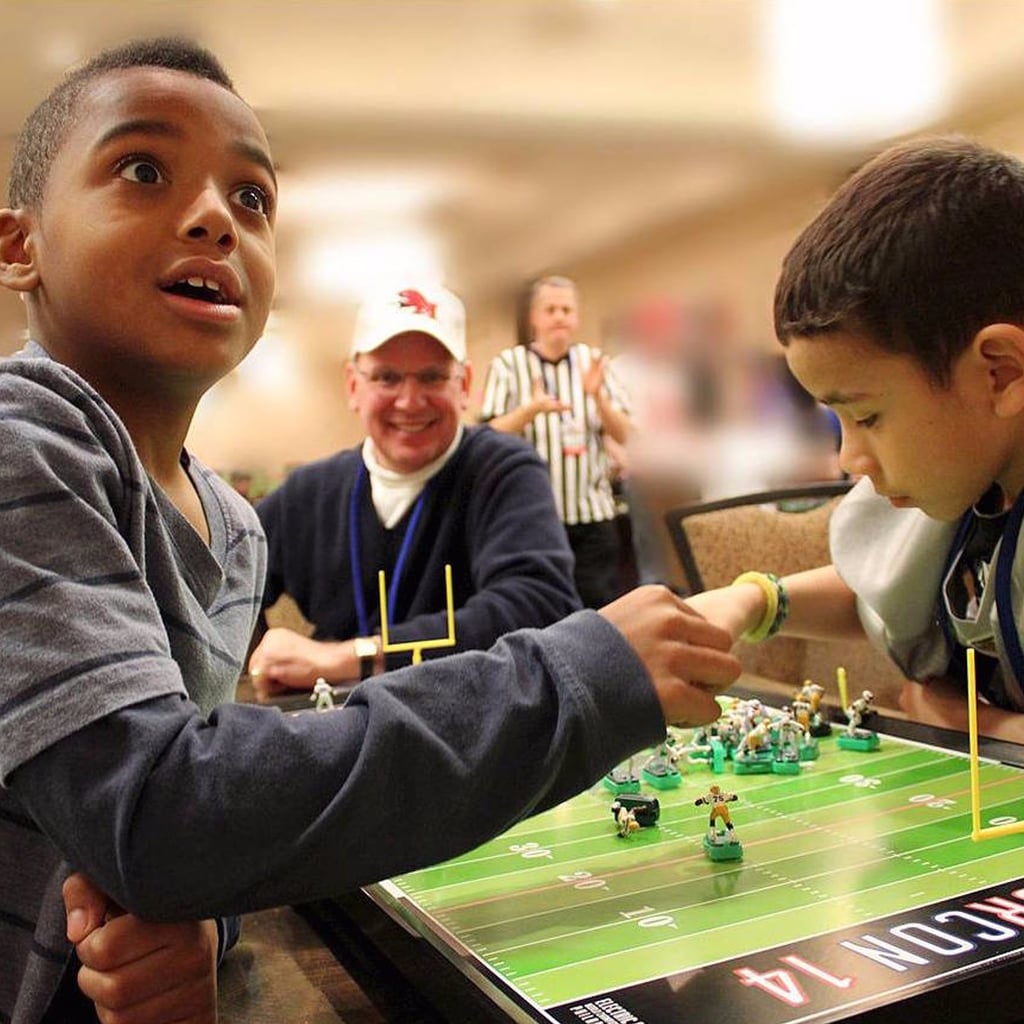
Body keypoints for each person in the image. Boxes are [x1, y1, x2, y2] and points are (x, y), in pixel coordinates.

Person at [0, 38, 744, 1024]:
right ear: (20, 248)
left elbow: (165, 840)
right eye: (144, 170)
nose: (215, 217)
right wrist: (574, 682)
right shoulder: (22, 436)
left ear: (462, 387)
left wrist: (191, 924)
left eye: (253, 197)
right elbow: (167, 808)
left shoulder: (236, 525)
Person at [686, 135, 1024, 745]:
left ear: (999, 371)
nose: (849, 459)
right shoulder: (972, 474)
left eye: (867, 416)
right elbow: (894, 583)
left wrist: (961, 719)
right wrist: (756, 603)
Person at [249, 283, 581, 696]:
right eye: (387, 377)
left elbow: (539, 604)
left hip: (473, 721)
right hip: (338, 732)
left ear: (464, 385)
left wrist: (353, 657)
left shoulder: (503, 469)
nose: (409, 401)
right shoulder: (307, 493)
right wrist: (255, 661)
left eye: (432, 376)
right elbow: (220, 584)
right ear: (354, 385)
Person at [479, 275, 633, 608]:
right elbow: (489, 436)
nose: (560, 317)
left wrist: (599, 399)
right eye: (550, 309)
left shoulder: (594, 362)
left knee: (599, 611)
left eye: (566, 309)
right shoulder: (510, 365)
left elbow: (626, 435)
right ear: (534, 318)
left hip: (593, 516)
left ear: (576, 317)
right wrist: (530, 410)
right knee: (543, 611)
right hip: (536, 518)